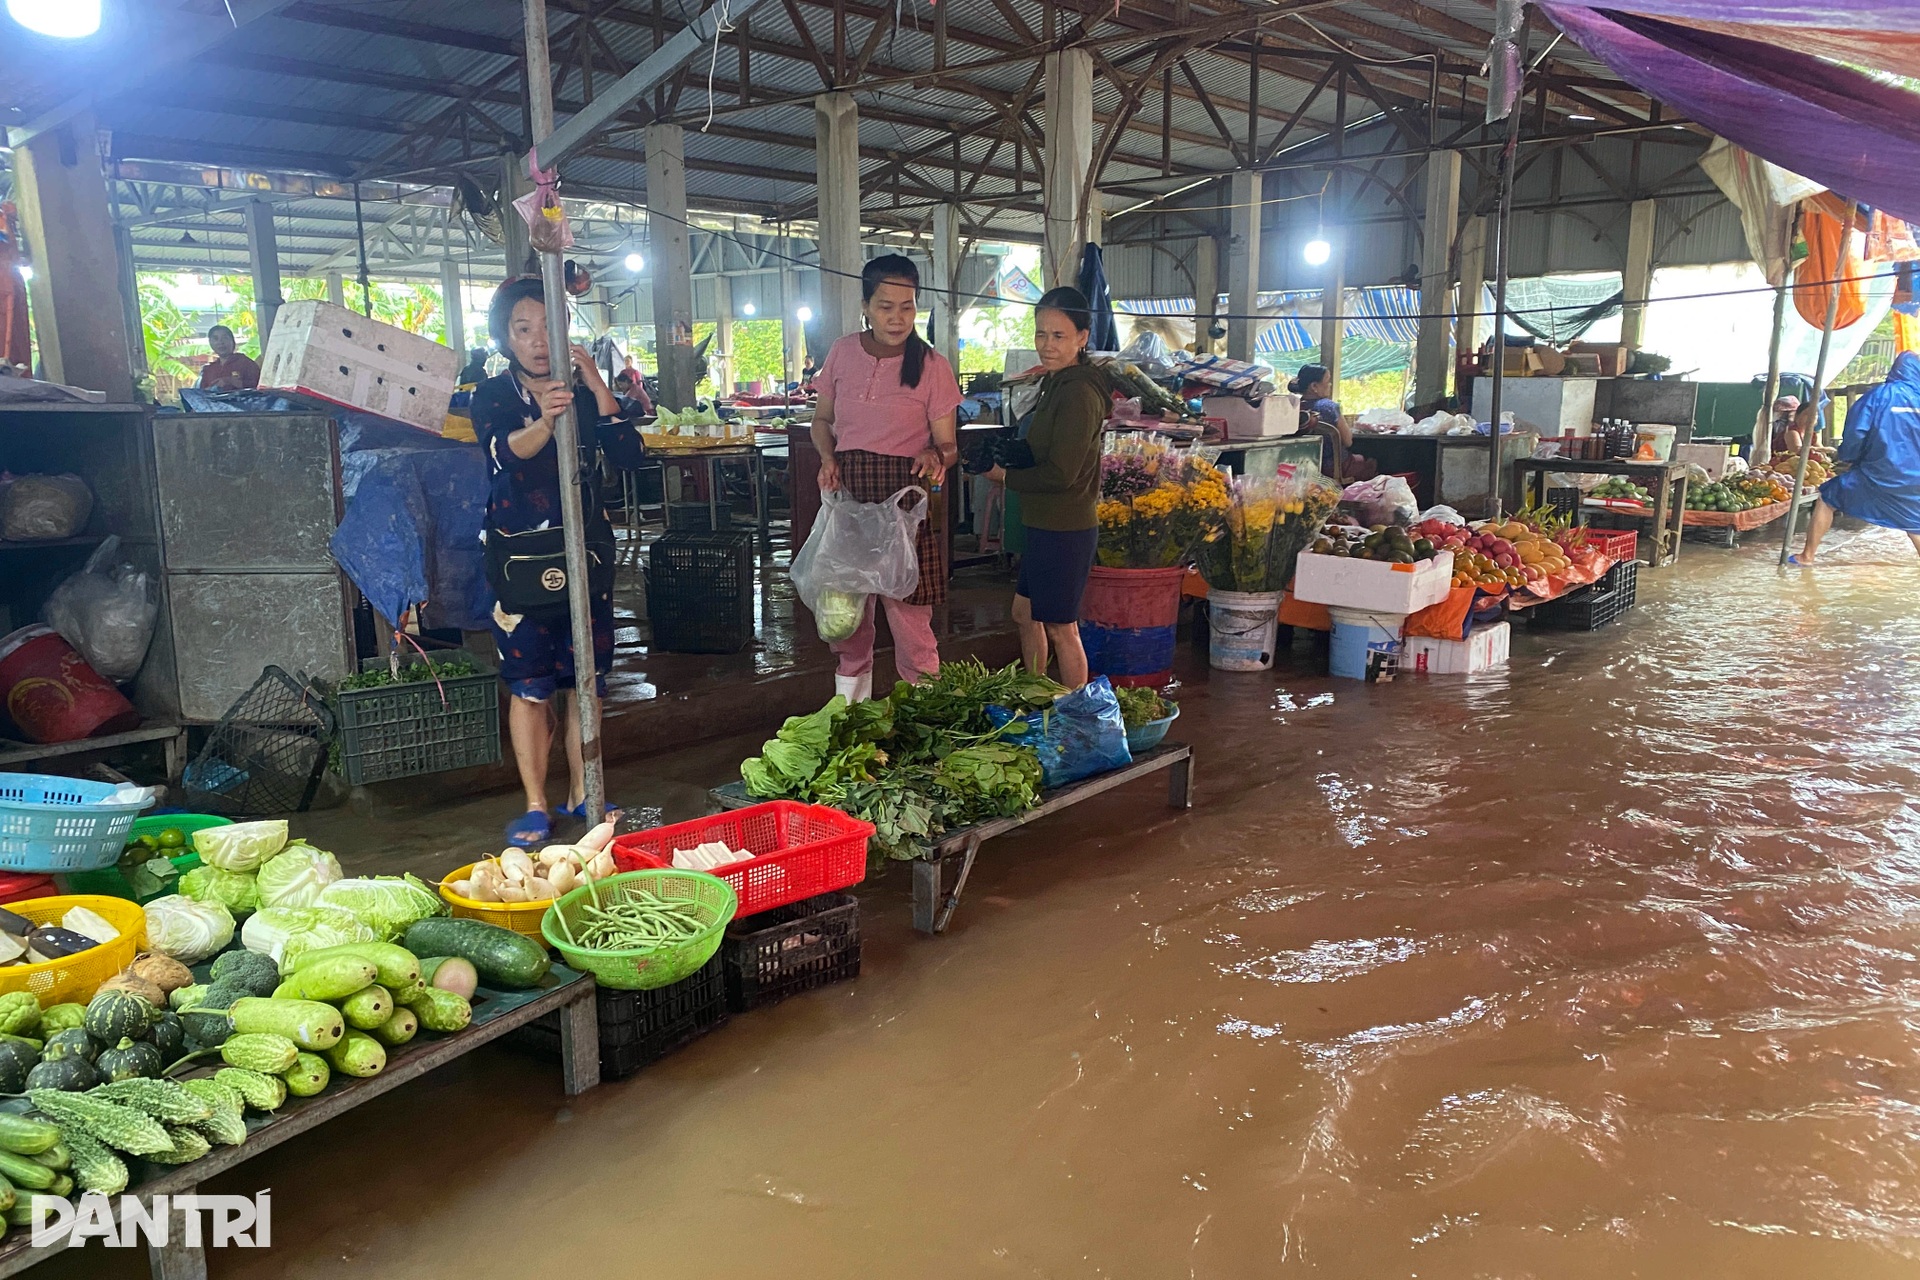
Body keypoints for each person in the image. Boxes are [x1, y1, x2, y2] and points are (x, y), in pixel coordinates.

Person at [470, 276, 646, 845]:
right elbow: (503, 455)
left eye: (549, 325)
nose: (539, 340)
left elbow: (629, 452)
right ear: (507, 339)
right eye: (524, 329)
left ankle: (582, 790)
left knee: (584, 681)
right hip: (519, 558)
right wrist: (545, 421)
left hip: (585, 553)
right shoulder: (493, 396)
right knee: (529, 683)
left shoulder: (584, 389)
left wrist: (596, 383)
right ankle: (537, 803)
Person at [810, 254, 963, 702]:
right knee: (847, 620)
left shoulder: (933, 365)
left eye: (907, 306)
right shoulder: (841, 352)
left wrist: (936, 455)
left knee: (910, 621)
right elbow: (822, 421)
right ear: (865, 306)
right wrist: (826, 457)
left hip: (904, 507)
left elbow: (949, 446)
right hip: (851, 498)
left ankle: (923, 715)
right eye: (885, 306)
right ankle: (849, 714)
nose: (897, 317)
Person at [987, 286, 1112, 689]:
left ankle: (1078, 714)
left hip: (1066, 528)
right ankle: (1037, 692)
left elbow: (1062, 473)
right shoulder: (1056, 382)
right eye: (1041, 334)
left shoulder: (1078, 392)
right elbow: (1045, 449)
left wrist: (1004, 475)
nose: (1046, 344)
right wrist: (1011, 452)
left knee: (1062, 628)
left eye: (1058, 336)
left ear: (1082, 337)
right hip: (1043, 523)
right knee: (1025, 614)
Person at [1793, 352, 1920, 564]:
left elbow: (1856, 432)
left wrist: (1848, 457)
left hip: (1879, 473)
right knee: (1915, 524)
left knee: (1827, 497)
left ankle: (1807, 556)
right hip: (1915, 479)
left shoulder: (1877, 397)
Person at [1290, 362, 1350, 480]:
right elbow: (1348, 441)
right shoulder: (1329, 406)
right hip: (1332, 468)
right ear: (1314, 386)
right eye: (1327, 381)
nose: (1330, 385)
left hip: (1301, 468)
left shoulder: (1293, 407)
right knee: (1370, 463)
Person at [198, 325, 260, 391]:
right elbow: (202, 395)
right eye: (216, 339)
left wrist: (231, 382)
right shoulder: (208, 370)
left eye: (225, 338)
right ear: (210, 343)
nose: (220, 342)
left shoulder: (246, 364)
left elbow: (258, 388)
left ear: (233, 341)